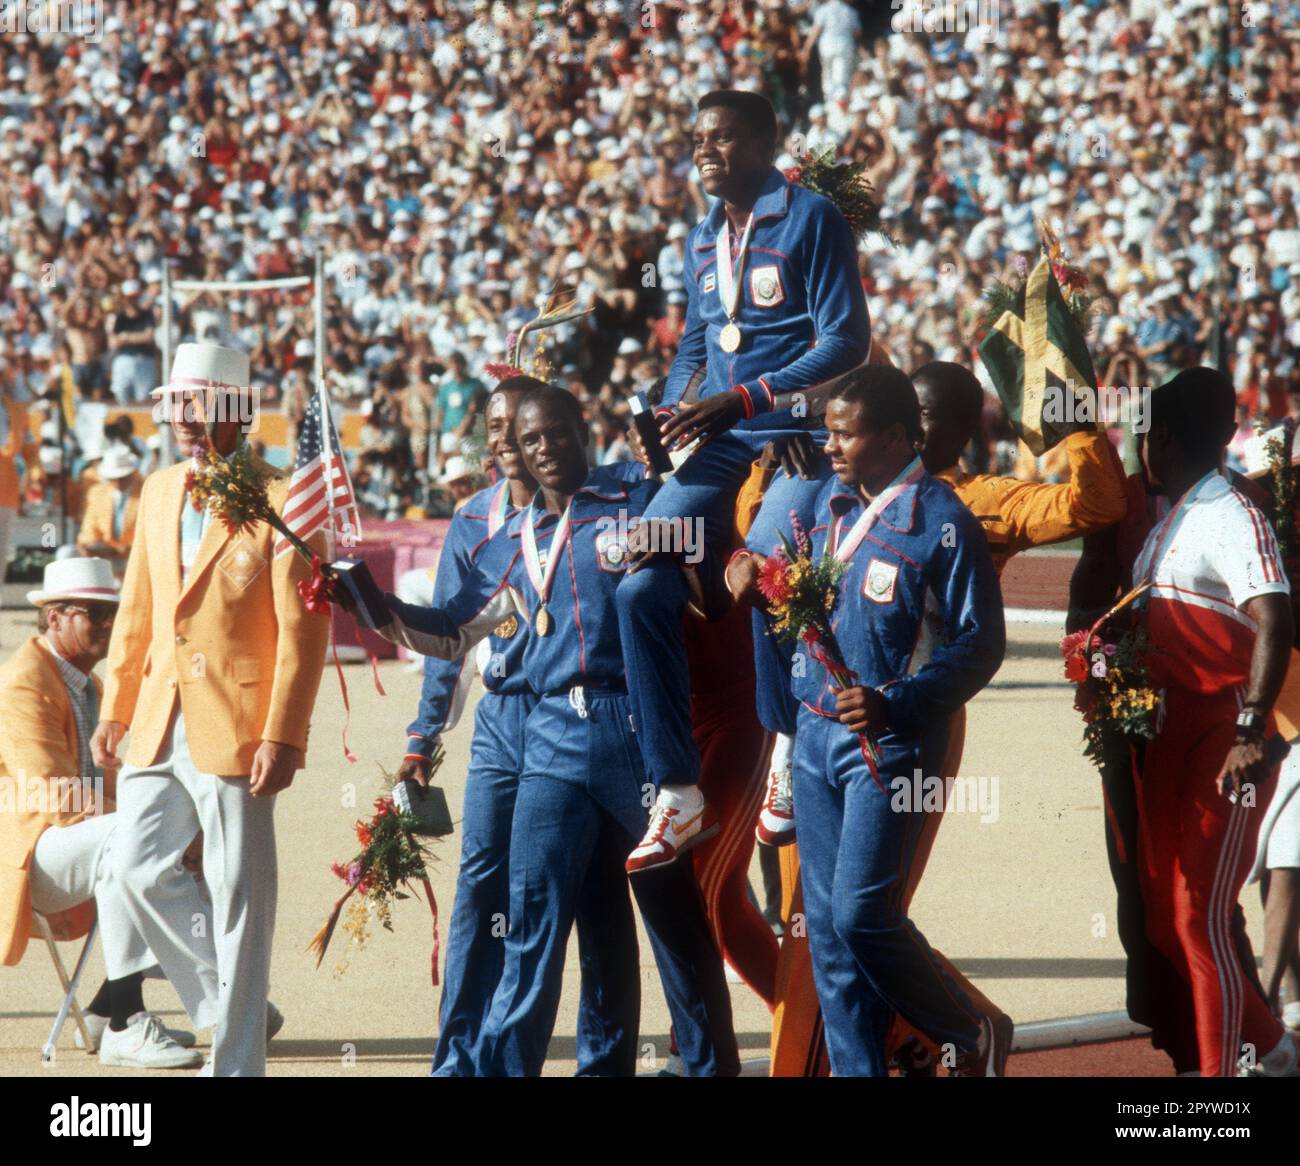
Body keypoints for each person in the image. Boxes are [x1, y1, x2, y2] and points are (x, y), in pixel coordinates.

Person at [343, 385, 740, 1076]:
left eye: (557, 433)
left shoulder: (636, 497)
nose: (546, 449)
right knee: (530, 921)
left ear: (583, 428)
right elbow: (452, 631)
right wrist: (375, 608)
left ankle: (711, 1065)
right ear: (517, 455)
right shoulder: (509, 542)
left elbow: (704, 573)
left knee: (669, 915)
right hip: (551, 738)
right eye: (531, 441)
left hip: (638, 729)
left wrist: (674, 504)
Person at [617, 89, 870, 872]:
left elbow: (847, 341)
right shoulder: (699, 240)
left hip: (791, 431)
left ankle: (785, 751)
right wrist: (670, 408)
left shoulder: (810, 219)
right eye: (699, 139)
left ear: (765, 142)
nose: (707, 151)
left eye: (724, 138)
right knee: (635, 577)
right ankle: (676, 788)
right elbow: (698, 343)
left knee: (761, 571)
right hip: (720, 437)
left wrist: (756, 400)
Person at [736, 364, 1007, 1075]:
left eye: (844, 434)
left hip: (885, 746)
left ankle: (967, 1028)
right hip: (815, 734)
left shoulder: (942, 523)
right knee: (826, 933)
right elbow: (771, 562)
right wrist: (746, 566)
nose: (830, 447)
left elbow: (981, 645)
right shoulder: (831, 504)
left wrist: (901, 702)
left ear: (892, 437)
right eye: (827, 432)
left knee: (861, 915)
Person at [90, 342, 331, 1077]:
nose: (183, 419)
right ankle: (233, 1003)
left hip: (239, 726)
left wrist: (284, 735)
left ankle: (237, 1063)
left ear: (237, 412)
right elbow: (137, 609)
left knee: (240, 900)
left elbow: (305, 628)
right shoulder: (158, 489)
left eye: (199, 404)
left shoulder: (285, 495)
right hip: (157, 720)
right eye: (175, 404)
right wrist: (116, 704)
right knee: (132, 868)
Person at [401, 375, 626, 1076]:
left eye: (517, 428)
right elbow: (450, 638)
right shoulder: (474, 519)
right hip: (505, 718)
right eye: (494, 428)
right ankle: (460, 1056)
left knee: (592, 893)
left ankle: (601, 1056)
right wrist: (422, 734)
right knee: (483, 884)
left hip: (570, 713)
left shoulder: (602, 507)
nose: (502, 440)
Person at [1128, 366, 1297, 1076]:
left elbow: (1274, 614)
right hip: (1171, 733)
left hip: (1221, 735)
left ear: (1161, 437)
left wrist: (1250, 729)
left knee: (1197, 916)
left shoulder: (1231, 511)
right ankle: (1279, 1053)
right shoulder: (1180, 511)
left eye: (1143, 432)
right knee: (1170, 920)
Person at [0, 558, 199, 1069]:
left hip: (72, 846)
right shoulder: (23, 683)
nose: (110, 625)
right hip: (27, 855)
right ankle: (126, 1023)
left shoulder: (90, 683)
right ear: (55, 617)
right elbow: (57, 797)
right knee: (136, 840)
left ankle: (111, 1010)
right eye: (95, 613)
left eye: (114, 612)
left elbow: (119, 787)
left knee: (181, 837)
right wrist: (155, 823)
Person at [76, 445, 143, 564]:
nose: (118, 482)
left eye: (123, 477)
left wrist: (127, 548)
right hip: (104, 555)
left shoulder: (147, 491)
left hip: (137, 556)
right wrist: (90, 544)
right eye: (113, 478)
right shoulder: (97, 493)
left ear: (132, 473)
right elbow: (89, 528)